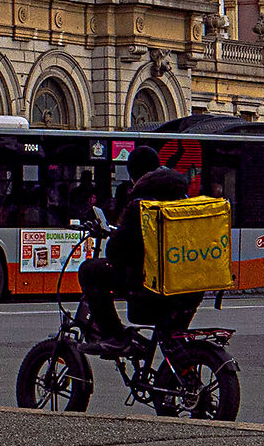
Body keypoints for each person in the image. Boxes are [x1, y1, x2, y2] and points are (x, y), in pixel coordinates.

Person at [76, 145, 189, 351]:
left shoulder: (142, 203)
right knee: (172, 343)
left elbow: (116, 251)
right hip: (186, 285)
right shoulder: (183, 199)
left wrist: (116, 237)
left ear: (133, 176)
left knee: (90, 270)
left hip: (151, 284)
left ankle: (114, 335)